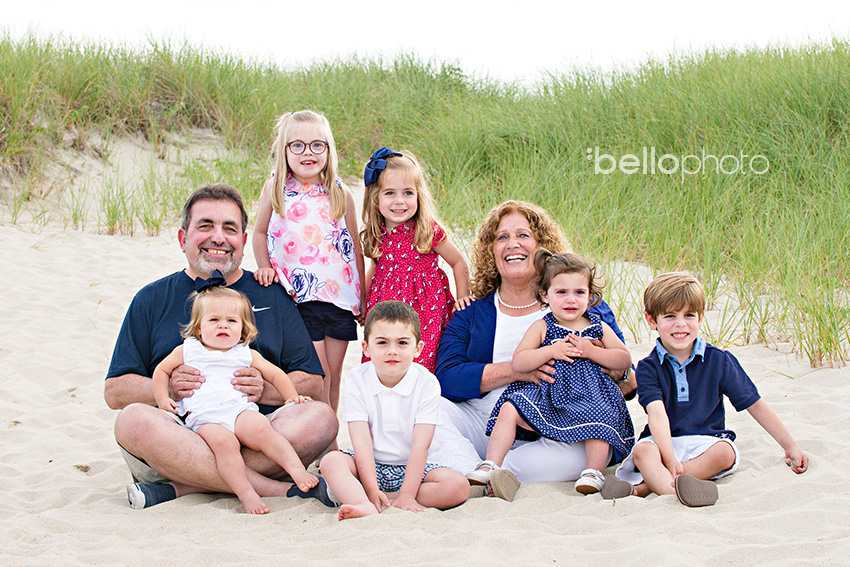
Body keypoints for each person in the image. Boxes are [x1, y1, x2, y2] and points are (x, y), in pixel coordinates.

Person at [105, 183, 337, 509]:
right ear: (182, 238)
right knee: (133, 421)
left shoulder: (271, 294)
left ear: (243, 241)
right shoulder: (151, 298)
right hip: (180, 434)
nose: (218, 237)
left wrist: (265, 390)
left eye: (229, 228)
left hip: (253, 433)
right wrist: (171, 389)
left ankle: (183, 486)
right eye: (205, 226)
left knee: (321, 418)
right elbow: (115, 391)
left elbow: (312, 382)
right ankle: (271, 487)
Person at [433, 200, 636, 491]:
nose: (512, 244)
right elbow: (447, 377)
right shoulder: (472, 312)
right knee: (430, 408)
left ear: (542, 247)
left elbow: (628, 377)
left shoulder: (582, 309)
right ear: (491, 251)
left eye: (523, 235)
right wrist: (520, 371)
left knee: (583, 451)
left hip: (562, 422)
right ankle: (478, 469)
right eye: (502, 237)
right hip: (487, 419)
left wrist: (613, 371)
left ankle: (485, 473)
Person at [604, 272, 808, 506]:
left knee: (725, 453)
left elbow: (755, 405)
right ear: (652, 321)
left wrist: (790, 447)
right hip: (663, 443)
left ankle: (644, 488)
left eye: (688, 315)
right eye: (670, 316)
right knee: (643, 452)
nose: (680, 324)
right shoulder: (649, 367)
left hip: (706, 441)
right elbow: (657, 416)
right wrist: (670, 459)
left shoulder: (719, 360)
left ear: (700, 318)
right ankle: (677, 492)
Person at [468, 250, 634, 495]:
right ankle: (491, 463)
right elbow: (520, 361)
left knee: (601, 415)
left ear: (590, 297)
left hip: (590, 395)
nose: (571, 299)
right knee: (510, 407)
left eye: (579, 292)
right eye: (561, 292)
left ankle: (594, 471)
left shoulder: (597, 327)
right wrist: (550, 351)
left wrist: (591, 351)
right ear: (545, 295)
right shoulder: (543, 326)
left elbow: (624, 359)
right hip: (550, 395)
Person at [153, 286, 318, 514]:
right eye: (214, 320)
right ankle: (246, 493)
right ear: (199, 328)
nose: (223, 325)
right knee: (225, 445)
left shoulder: (244, 352)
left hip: (239, 410)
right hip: (205, 416)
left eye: (231, 320)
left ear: (242, 329)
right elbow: (161, 371)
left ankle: (297, 470)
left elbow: (275, 374)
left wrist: (290, 396)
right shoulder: (188, 350)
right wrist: (162, 398)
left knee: (263, 430)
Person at [252, 110, 366, 418]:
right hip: (299, 299)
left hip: (339, 300)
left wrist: (363, 299)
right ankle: (325, 441)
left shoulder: (339, 192)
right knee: (318, 375)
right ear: (285, 150)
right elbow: (260, 233)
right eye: (298, 145)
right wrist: (264, 265)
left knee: (334, 375)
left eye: (317, 145)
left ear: (328, 150)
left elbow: (355, 247)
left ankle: (328, 437)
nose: (308, 153)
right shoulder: (275, 187)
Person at [320, 301, 470, 520]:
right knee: (331, 462)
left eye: (402, 343)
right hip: (368, 464)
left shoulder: (427, 383)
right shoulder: (357, 379)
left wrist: (408, 494)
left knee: (458, 486)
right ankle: (365, 502)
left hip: (413, 468)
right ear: (366, 348)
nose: (392, 351)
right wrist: (370, 489)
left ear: (417, 348)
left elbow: (421, 444)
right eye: (382, 342)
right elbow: (361, 441)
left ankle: (392, 496)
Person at [360, 147, 472, 373]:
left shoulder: (426, 230)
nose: (399, 201)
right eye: (389, 193)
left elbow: (458, 262)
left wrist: (463, 299)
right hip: (384, 308)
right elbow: (374, 268)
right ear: (375, 198)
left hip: (424, 308)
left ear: (419, 196)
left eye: (408, 193)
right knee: (382, 359)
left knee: (420, 362)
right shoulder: (377, 233)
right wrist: (363, 303)